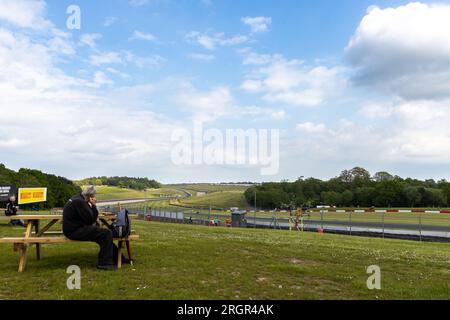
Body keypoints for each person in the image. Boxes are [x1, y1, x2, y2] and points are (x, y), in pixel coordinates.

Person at [62, 186, 129, 271]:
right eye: (94, 196)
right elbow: (90, 220)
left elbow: (89, 218)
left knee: (105, 235)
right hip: (74, 231)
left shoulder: (78, 198)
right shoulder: (80, 202)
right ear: (90, 196)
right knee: (106, 233)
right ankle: (104, 263)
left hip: (74, 228)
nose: (95, 197)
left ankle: (119, 258)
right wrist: (93, 205)